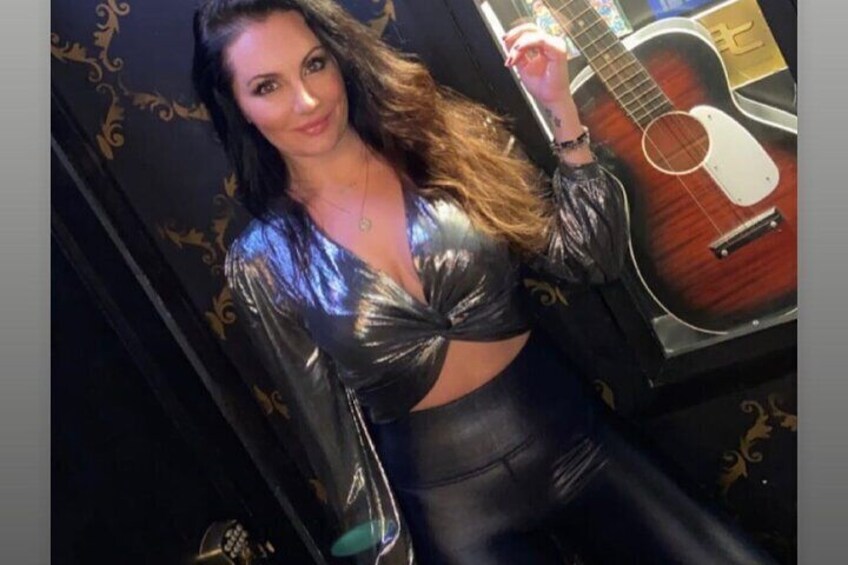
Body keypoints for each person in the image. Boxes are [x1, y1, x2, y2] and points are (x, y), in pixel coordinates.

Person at [192, 1, 777, 563]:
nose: (308, 99)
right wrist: (387, 556)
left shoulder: (443, 142)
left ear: (338, 56)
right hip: (453, 512)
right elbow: (334, 440)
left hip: (576, 442)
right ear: (237, 105)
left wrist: (561, 109)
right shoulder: (261, 263)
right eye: (267, 86)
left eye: (314, 64)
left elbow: (587, 258)